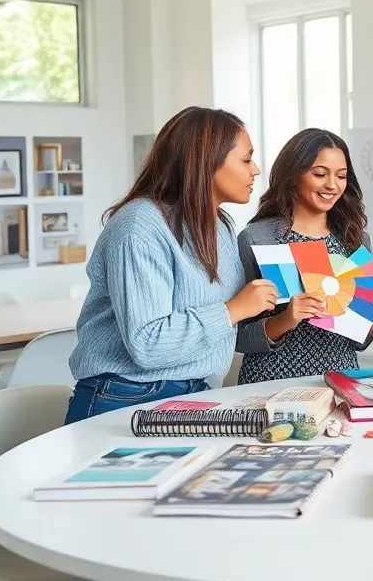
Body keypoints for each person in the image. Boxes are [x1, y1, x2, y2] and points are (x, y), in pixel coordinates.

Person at [65, 106, 279, 426]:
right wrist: (233, 309)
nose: (256, 170)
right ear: (207, 162)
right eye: (246, 160)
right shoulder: (139, 225)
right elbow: (148, 345)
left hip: (195, 395)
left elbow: (224, 329)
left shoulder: (220, 226)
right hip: (125, 396)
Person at [236, 128, 373, 382]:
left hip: (338, 381)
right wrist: (285, 319)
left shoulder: (355, 240)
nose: (332, 185)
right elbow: (236, 336)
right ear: (293, 175)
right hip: (271, 383)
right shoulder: (257, 238)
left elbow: (356, 341)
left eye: (341, 176)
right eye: (320, 174)